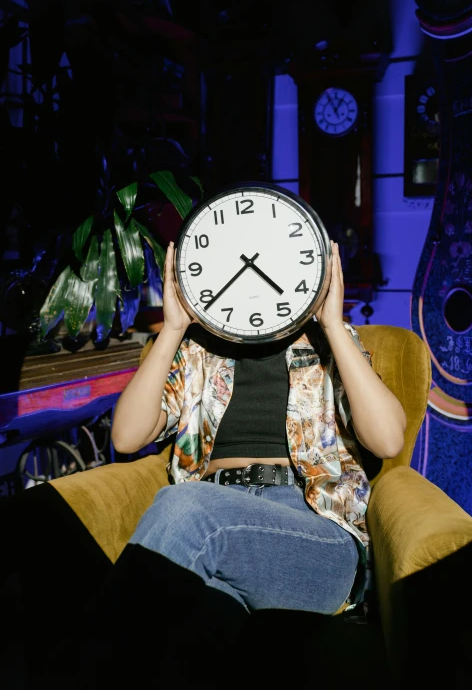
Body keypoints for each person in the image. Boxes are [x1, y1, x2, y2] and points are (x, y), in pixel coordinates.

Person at [40, 231, 407, 689]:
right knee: (197, 623)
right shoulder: (198, 349)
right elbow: (129, 435)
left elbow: (389, 440)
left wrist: (333, 325)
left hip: (313, 536)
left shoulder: (332, 342)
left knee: (186, 507)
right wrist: (174, 328)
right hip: (219, 528)